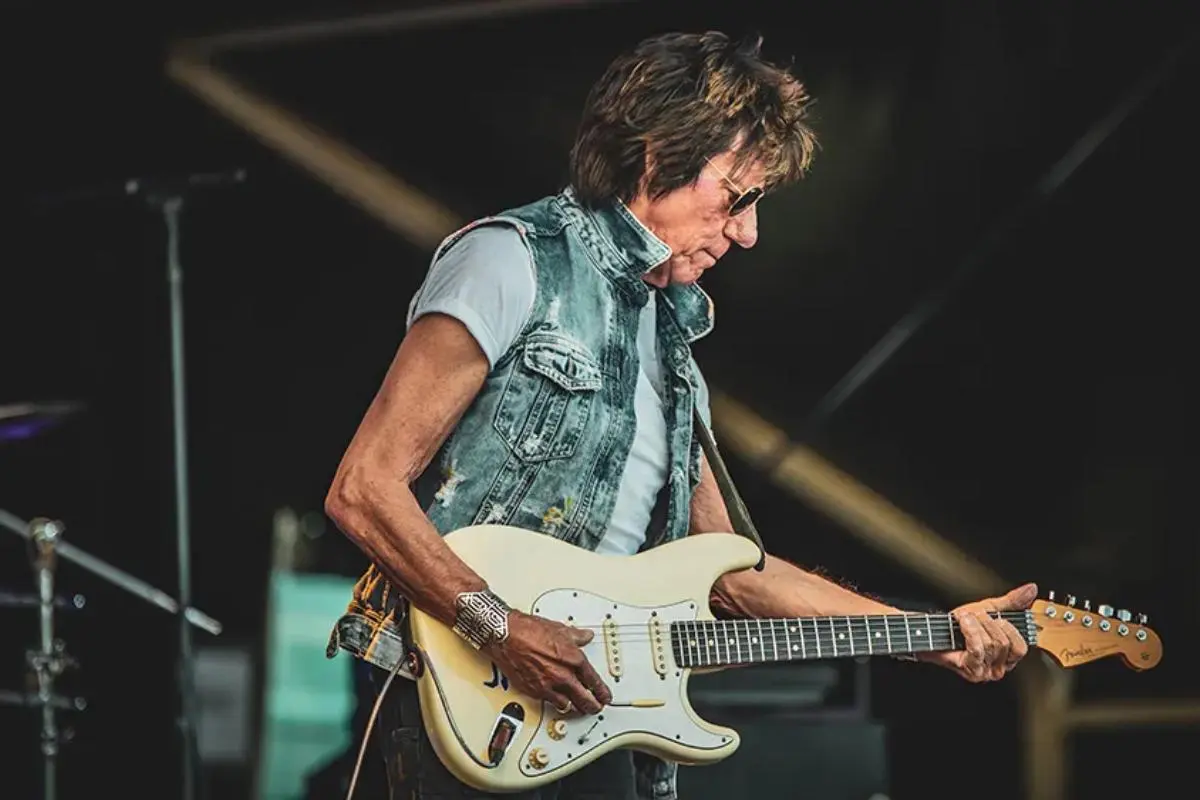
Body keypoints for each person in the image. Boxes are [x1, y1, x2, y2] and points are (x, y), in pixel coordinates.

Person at [324, 30, 1037, 800]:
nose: (748, 231)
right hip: (452, 697)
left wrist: (931, 636)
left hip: (587, 722)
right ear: (660, 158)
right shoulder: (513, 260)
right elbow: (363, 488)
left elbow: (735, 574)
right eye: (737, 197)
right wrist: (502, 628)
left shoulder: (670, 348)